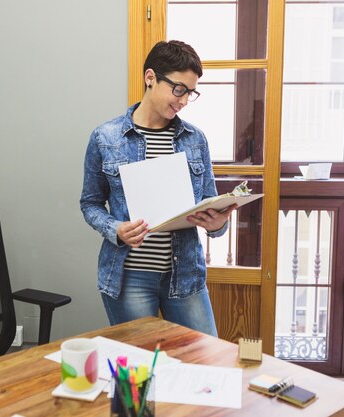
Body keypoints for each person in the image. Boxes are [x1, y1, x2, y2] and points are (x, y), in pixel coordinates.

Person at [80, 40, 236, 337]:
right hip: (129, 278)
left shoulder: (195, 139)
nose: (183, 100)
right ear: (150, 77)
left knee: (205, 362)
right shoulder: (106, 137)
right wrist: (115, 228)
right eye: (179, 89)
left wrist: (218, 224)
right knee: (142, 372)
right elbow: (89, 203)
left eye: (191, 93)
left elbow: (208, 202)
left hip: (185, 276)